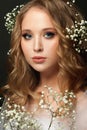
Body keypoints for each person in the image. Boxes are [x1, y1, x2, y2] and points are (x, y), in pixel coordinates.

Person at [0, 0, 87, 129]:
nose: (37, 47)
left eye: (48, 34)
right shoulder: (17, 99)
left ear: (68, 37)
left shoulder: (83, 105)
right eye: (27, 36)